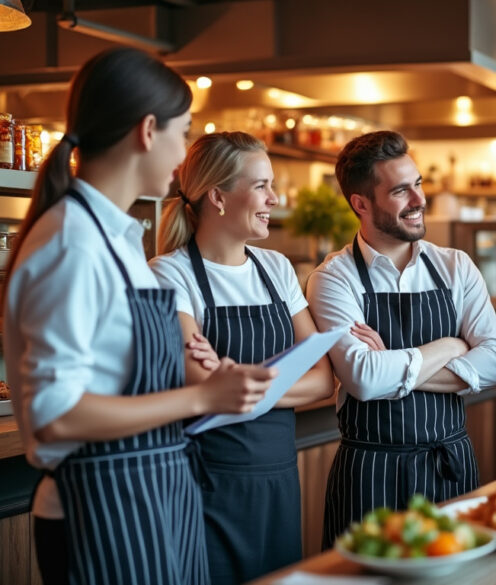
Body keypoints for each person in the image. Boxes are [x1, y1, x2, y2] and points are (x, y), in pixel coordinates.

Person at [2, 48, 276, 585]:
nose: (182, 155)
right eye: (184, 132)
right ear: (148, 131)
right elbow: (56, 415)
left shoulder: (118, 239)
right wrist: (201, 397)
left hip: (152, 492)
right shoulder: (71, 243)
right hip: (102, 505)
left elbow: (117, 368)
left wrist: (181, 358)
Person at [306, 130, 496, 547]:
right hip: (369, 476)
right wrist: (452, 346)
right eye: (401, 190)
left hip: (449, 466)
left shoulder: (455, 266)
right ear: (360, 204)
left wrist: (392, 364)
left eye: (417, 184)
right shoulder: (333, 278)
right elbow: (363, 379)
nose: (419, 200)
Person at [151, 132, 334, 583]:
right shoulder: (167, 273)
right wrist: (229, 388)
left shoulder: (275, 268)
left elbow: (323, 379)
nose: (274, 197)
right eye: (261, 186)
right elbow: (203, 386)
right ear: (218, 196)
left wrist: (234, 386)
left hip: (278, 476)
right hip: (208, 481)